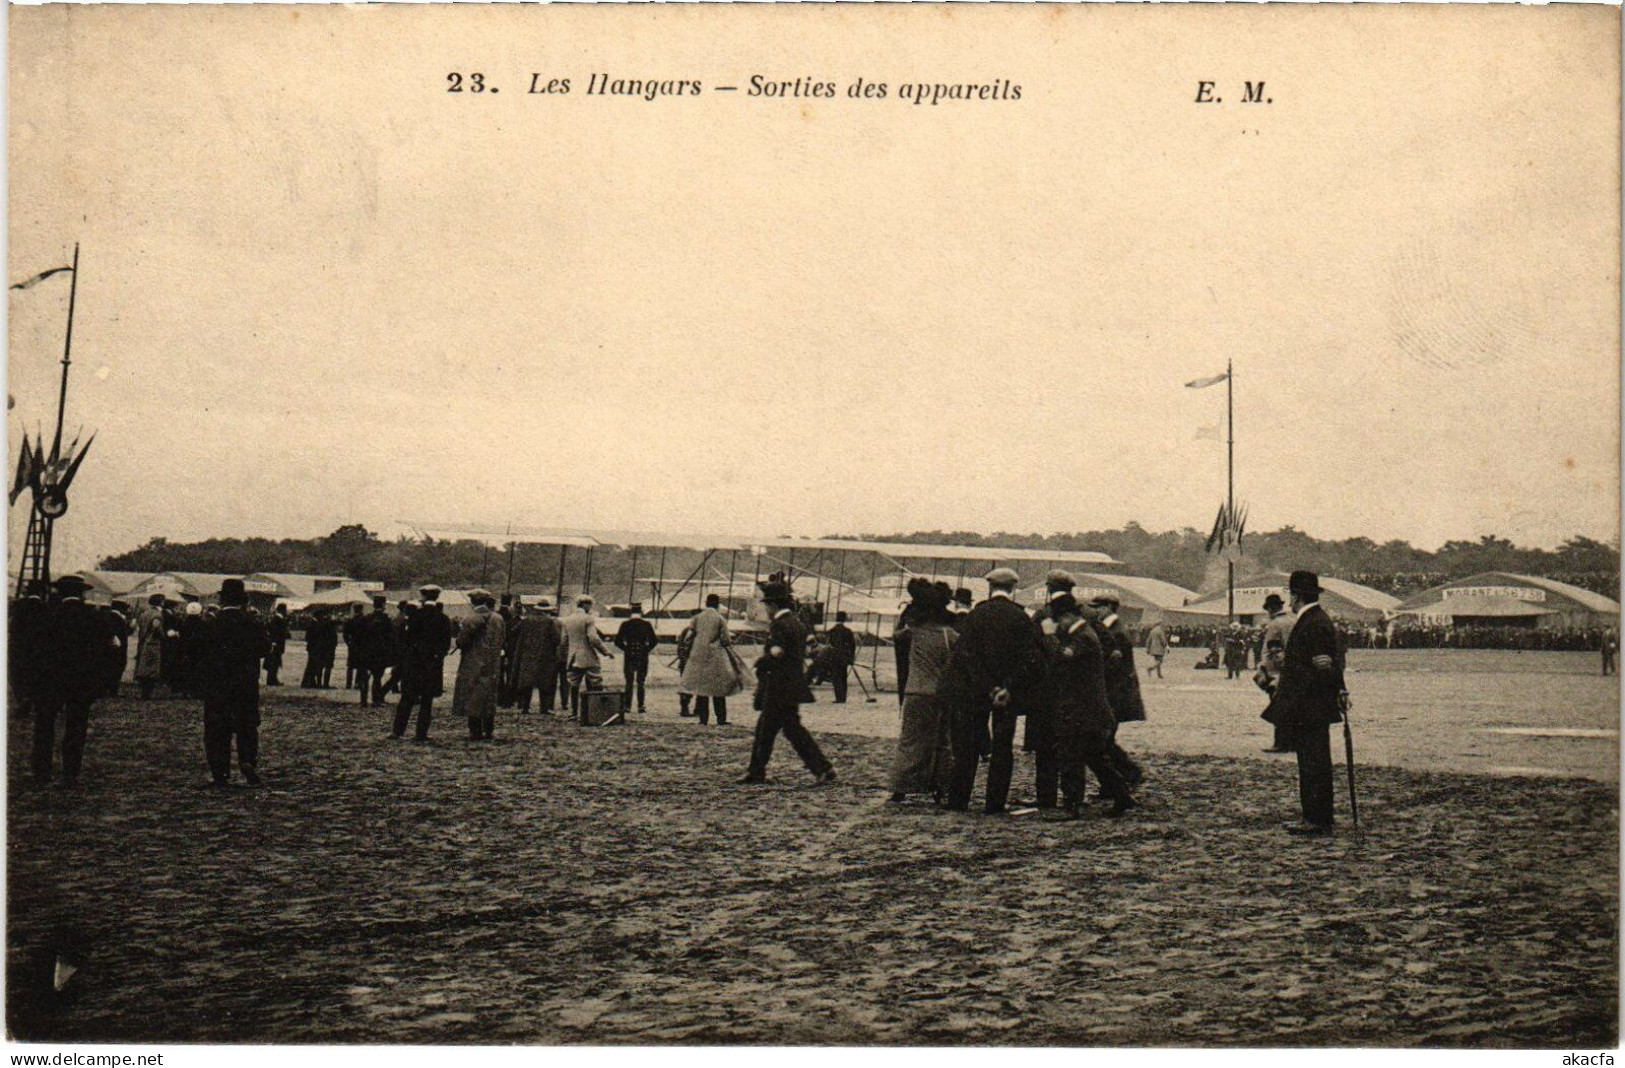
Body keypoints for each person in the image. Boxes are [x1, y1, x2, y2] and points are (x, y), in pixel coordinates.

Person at [940, 568, 1045, 815]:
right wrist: (1006, 686)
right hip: (1007, 695)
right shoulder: (1021, 618)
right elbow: (1028, 658)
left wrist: (987, 686)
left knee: (967, 745)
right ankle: (995, 802)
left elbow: (966, 656)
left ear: (990, 588)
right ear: (1013, 588)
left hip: (976, 691)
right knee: (1002, 747)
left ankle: (959, 799)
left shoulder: (976, 615)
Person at [1039, 591, 1134, 818]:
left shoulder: (1082, 638)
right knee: (1094, 756)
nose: (1058, 625)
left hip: (1083, 710)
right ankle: (1122, 795)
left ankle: (1072, 805)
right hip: (1091, 710)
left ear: (1067, 617)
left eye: (1059, 620)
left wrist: (1048, 637)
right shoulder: (1084, 634)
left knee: (1070, 755)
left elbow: (1060, 658)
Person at [1272, 570, 1347, 835]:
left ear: (1296, 596)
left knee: (1312, 762)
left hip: (1310, 703)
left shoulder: (1313, 622)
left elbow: (1326, 663)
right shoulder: (1316, 619)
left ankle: (1316, 817)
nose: (1289, 600)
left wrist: (1292, 665)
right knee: (1314, 760)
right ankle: (1317, 814)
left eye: (1291, 594)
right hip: (1312, 703)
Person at [742, 580, 836, 784]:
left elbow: (777, 654)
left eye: (766, 605)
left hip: (778, 687)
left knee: (766, 730)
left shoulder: (779, 625)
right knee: (790, 730)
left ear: (773, 605)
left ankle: (757, 771)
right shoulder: (797, 623)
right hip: (792, 686)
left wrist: (759, 662)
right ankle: (822, 768)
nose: (765, 609)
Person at [32, 575, 119, 787]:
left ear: (59, 593)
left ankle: (41, 772)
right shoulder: (94, 617)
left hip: (50, 679)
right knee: (76, 725)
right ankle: (70, 773)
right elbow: (109, 649)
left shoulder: (47, 616)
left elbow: (33, 650)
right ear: (81, 593)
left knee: (44, 725)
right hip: (81, 681)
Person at [198, 578, 271, 787]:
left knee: (216, 729)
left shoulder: (211, 624)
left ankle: (219, 771)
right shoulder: (251, 623)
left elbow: (200, 653)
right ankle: (247, 760)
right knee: (246, 725)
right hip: (245, 684)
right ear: (244, 601)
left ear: (222, 600)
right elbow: (265, 648)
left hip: (217, 685)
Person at [888, 583, 957, 802]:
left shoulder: (913, 633)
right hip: (940, 693)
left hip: (915, 691)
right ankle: (942, 788)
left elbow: (895, 634)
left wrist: (905, 612)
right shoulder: (951, 636)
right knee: (942, 741)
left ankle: (900, 787)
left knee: (909, 739)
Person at [1027, 569, 1076, 811]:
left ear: (1048, 588)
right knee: (1071, 746)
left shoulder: (1042, 615)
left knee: (1045, 748)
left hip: (1045, 691)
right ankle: (1072, 796)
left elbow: (1030, 650)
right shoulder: (1084, 614)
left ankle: (1046, 797)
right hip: (1074, 690)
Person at [1087, 593, 1146, 790]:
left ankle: (1128, 774)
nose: (1095, 611)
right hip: (1117, 693)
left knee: (1103, 740)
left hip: (1116, 694)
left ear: (1109, 608)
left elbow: (1114, 667)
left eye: (1098, 607)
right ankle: (1119, 780)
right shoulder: (1114, 628)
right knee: (1104, 740)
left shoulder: (1115, 632)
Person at [394, 585, 453, 740]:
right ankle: (421, 733)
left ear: (424, 596)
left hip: (414, 663)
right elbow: (446, 643)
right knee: (427, 701)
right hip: (432, 664)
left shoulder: (415, 615)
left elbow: (407, 639)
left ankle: (398, 731)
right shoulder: (443, 618)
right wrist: (437, 656)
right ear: (437, 597)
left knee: (407, 698)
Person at [452, 590, 505, 740]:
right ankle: (489, 729)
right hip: (493, 662)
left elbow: (461, 642)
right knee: (489, 695)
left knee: (473, 695)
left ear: (472, 601)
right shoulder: (498, 618)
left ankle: (475, 730)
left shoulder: (471, 619)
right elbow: (502, 639)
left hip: (473, 662)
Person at [679, 593, 736, 725]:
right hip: (715, 657)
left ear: (706, 603)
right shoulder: (720, 619)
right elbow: (726, 640)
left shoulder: (697, 618)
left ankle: (703, 719)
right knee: (718, 688)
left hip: (699, 656)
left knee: (702, 687)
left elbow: (688, 637)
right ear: (717, 604)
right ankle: (721, 719)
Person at [560, 594, 614, 720]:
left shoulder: (567, 620)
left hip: (573, 658)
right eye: (590, 605)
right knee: (594, 683)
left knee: (574, 684)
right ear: (585, 604)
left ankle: (574, 712)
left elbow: (563, 641)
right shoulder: (588, 619)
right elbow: (594, 639)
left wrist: (566, 655)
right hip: (588, 657)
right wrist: (606, 652)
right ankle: (594, 712)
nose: (590, 607)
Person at [1257, 593, 1297, 753]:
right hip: (1292, 669)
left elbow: (1273, 649)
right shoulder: (1292, 621)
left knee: (1277, 706)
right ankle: (1292, 741)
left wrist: (1270, 669)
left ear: (1271, 609)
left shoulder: (1274, 624)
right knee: (1289, 707)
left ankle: (1280, 742)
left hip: (1275, 672)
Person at [510, 599, 562, 713]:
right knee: (545, 682)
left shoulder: (526, 620)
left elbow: (513, 631)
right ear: (546, 611)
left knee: (527, 682)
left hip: (527, 655)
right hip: (545, 656)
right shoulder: (549, 622)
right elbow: (556, 639)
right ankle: (544, 708)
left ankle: (525, 707)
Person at [10, 579, 51, 721]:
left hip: (19, 647)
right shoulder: (46, 608)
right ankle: (31, 698)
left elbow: (12, 627)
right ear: (41, 592)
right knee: (35, 675)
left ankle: (22, 698)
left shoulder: (18, 606)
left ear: (28, 591)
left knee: (18, 675)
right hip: (38, 649)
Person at [614, 603, 659, 713]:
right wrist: (646, 649)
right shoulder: (646, 624)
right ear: (641, 612)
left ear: (631, 611)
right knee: (641, 681)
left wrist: (626, 649)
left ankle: (627, 706)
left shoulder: (625, 624)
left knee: (629, 681)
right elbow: (654, 641)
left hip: (629, 655)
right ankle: (641, 705)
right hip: (642, 655)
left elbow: (617, 641)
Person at [355, 595, 395, 706]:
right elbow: (390, 637)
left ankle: (363, 701)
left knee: (364, 677)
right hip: (379, 653)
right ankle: (376, 700)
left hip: (366, 652)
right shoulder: (386, 619)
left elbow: (358, 636)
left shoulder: (366, 618)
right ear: (383, 605)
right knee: (377, 677)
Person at [135, 593, 167, 699]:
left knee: (144, 668)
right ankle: (147, 693)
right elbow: (157, 628)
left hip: (143, 642)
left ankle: (143, 691)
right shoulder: (157, 614)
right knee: (152, 669)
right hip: (153, 643)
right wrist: (164, 637)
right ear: (160, 602)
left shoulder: (145, 613)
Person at [823, 611, 858, 704]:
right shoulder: (848, 631)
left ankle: (838, 697)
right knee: (843, 677)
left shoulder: (831, 631)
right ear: (845, 619)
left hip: (834, 657)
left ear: (836, 618)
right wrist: (851, 657)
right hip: (844, 657)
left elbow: (828, 645)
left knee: (836, 677)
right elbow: (852, 645)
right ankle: (843, 697)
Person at [675, 618, 697, 717]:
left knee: (686, 685)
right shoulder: (696, 632)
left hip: (685, 663)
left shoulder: (685, 631)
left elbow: (679, 648)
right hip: (691, 663)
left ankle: (687, 708)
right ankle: (686, 709)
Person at [264, 603, 290, 686]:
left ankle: (272, 679)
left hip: (276, 643)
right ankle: (272, 680)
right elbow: (276, 632)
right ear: (282, 610)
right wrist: (274, 641)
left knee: (275, 662)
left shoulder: (277, 619)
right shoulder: (277, 620)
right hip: (276, 644)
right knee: (274, 662)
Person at [342, 603, 365, 689]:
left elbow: (345, 635)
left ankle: (348, 684)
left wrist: (348, 643)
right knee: (360, 665)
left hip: (352, 645)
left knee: (350, 666)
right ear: (361, 610)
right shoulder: (364, 620)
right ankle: (357, 683)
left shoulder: (350, 621)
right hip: (361, 645)